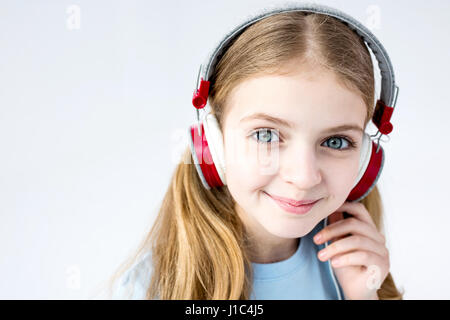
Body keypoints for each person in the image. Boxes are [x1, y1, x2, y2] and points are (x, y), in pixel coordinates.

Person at [105, 6, 404, 300]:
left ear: (366, 160)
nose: (303, 177)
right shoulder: (151, 289)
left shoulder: (359, 273)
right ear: (214, 144)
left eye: (336, 141)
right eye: (266, 135)